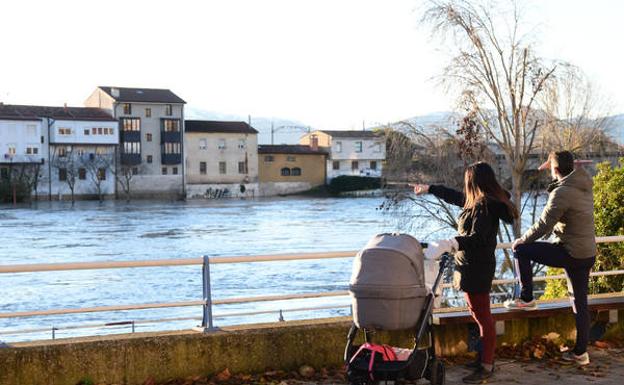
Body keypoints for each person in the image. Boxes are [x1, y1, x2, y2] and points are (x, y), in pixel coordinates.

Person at [412, 162, 517, 384]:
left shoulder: (484, 206)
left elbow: (478, 239)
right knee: (477, 313)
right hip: (472, 266)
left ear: (473, 181)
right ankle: (483, 358)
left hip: (477, 267)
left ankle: (486, 365)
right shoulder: (478, 202)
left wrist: (449, 243)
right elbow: (456, 197)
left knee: (483, 317)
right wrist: (430, 188)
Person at [504, 151, 596, 366]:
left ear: (555, 170)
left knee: (522, 250)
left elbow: (544, 224)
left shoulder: (562, 192)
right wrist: (554, 163)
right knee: (580, 303)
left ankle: (527, 299)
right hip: (586, 253)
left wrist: (522, 240)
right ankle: (581, 353)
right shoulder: (583, 184)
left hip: (571, 252)